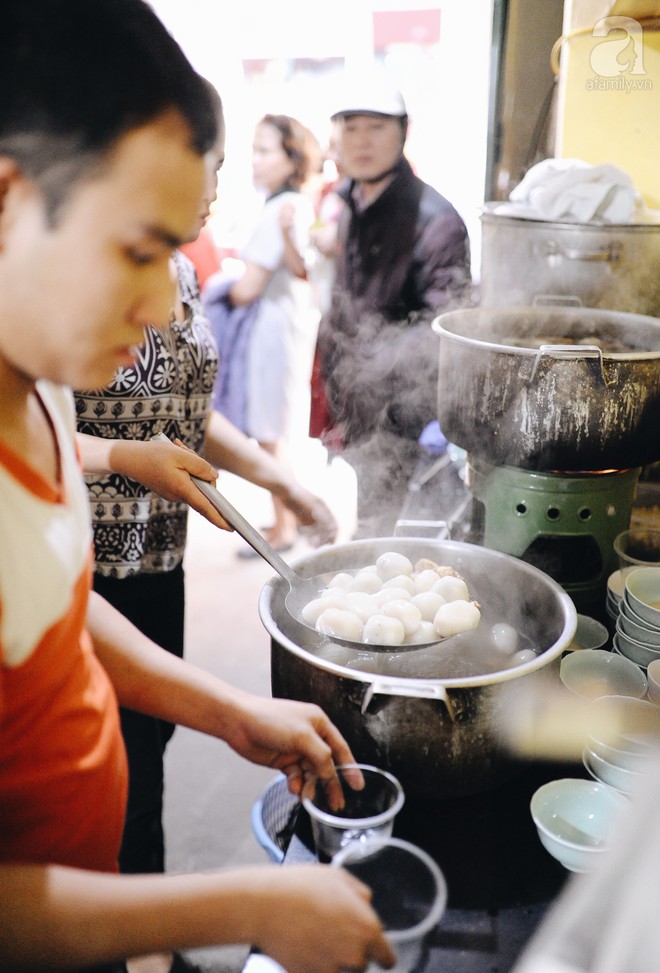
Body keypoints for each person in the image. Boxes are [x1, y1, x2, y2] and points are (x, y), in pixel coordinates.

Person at [0, 4, 395, 973]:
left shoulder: (40, 379)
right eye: (136, 251)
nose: (159, 307)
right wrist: (239, 901)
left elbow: (55, 609)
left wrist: (226, 709)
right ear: (8, 199)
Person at [75, 84, 337, 928]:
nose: (215, 185)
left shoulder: (180, 270)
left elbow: (185, 412)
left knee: (143, 752)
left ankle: (144, 938)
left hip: (156, 555)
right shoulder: (54, 289)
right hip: (82, 558)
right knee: (96, 770)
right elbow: (34, 433)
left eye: (224, 164)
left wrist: (279, 478)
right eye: (203, 164)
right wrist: (121, 457)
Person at [315, 73, 472, 537]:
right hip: (354, 400)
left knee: (386, 528)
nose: (361, 141)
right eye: (350, 126)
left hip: (402, 412)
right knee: (368, 507)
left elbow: (445, 323)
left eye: (376, 127)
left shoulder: (437, 220)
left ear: (403, 131)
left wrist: (379, 367)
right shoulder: (348, 201)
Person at [205, 114, 320, 554]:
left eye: (265, 150)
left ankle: (287, 526)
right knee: (274, 432)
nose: (254, 160)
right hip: (283, 330)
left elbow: (248, 288)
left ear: (292, 159)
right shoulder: (287, 206)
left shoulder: (281, 208)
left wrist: (219, 289)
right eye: (253, 150)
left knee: (271, 434)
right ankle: (284, 519)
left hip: (273, 334)